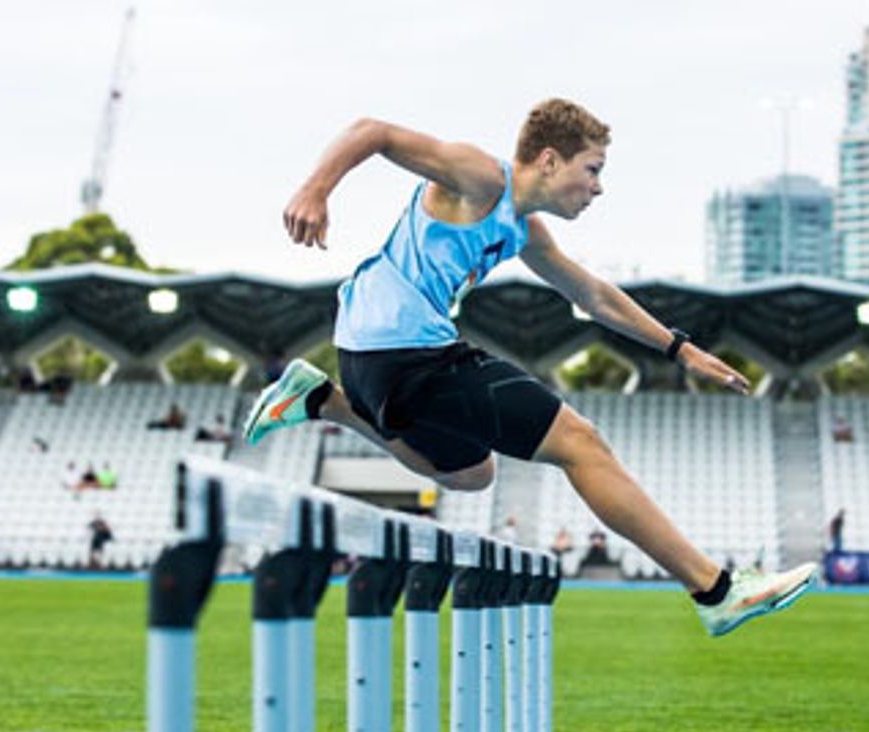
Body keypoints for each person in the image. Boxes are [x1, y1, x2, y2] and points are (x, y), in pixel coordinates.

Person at [242, 99, 815, 637]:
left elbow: (593, 295)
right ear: (549, 160)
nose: (598, 187)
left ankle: (323, 401)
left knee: (472, 475)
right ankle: (715, 590)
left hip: (375, 361)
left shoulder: (522, 229)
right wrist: (315, 191)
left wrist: (681, 350)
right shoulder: (481, 179)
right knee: (580, 443)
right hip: (403, 347)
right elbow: (374, 131)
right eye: (592, 169)